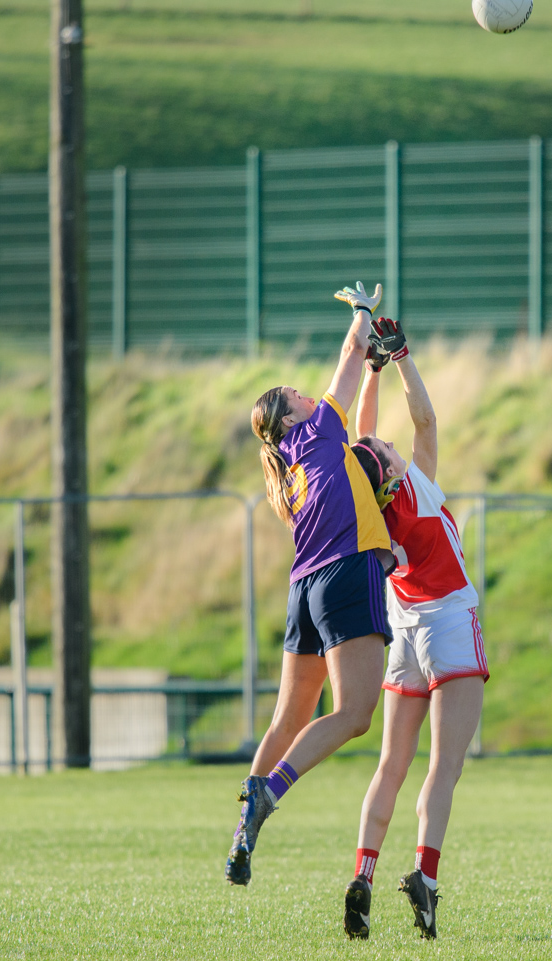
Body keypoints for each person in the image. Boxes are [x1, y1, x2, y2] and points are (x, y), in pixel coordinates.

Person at [225, 281, 396, 887]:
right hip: (346, 573)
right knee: (353, 715)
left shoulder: (291, 464)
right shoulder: (319, 426)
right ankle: (272, 790)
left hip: (303, 588)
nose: (308, 391)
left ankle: (244, 829)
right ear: (292, 411)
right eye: (298, 392)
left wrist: (374, 366)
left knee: (288, 716)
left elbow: (357, 435)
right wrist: (362, 314)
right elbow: (349, 359)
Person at [342, 317, 489, 941]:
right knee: (443, 767)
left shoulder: (374, 511)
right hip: (450, 621)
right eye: (392, 452)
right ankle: (425, 875)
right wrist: (399, 357)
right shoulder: (419, 489)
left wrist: (367, 369)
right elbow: (424, 422)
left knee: (390, 766)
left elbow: (362, 437)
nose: (396, 446)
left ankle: (364, 875)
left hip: (403, 630)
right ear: (396, 471)